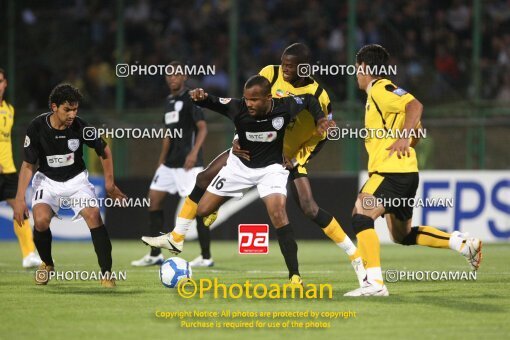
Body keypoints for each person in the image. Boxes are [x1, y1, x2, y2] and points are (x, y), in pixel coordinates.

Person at [142, 43, 366, 287]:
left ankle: (351, 255)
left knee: (309, 208)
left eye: (290, 66)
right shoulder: (270, 74)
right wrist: (237, 138)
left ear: (304, 67)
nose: (285, 69)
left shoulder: (319, 95)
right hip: (250, 151)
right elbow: (242, 107)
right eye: (283, 64)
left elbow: (320, 134)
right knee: (204, 178)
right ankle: (181, 233)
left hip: (286, 158)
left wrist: (299, 158)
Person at [344, 44, 482, 297]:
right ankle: (462, 244)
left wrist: (403, 138)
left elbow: (416, 106)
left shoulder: (379, 88)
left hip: (389, 171)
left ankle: (374, 284)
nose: (356, 73)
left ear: (364, 67)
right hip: (406, 172)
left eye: (356, 68)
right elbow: (417, 128)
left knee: (360, 216)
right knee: (402, 235)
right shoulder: (388, 93)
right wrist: (408, 137)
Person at [13, 84, 127, 287]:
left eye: (75, 109)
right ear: (54, 107)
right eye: (68, 109)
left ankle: (106, 273)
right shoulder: (37, 127)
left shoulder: (81, 127)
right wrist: (20, 198)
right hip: (47, 181)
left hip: (76, 181)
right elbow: (29, 164)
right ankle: (47, 264)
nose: (72, 114)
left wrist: (109, 183)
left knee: (93, 215)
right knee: (40, 221)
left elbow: (104, 151)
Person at [131, 61, 207, 266]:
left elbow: (202, 128)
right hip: (169, 164)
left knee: (198, 208)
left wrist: (194, 153)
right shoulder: (168, 101)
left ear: (184, 77)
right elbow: (167, 134)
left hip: (188, 164)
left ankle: (206, 257)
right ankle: (155, 254)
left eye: (176, 74)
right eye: (169, 75)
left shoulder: (192, 98)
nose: (172, 77)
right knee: (153, 200)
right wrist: (160, 161)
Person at [0, 68, 42, 268]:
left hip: (8, 171)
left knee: (20, 209)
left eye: (0, 81)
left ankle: (29, 255)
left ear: (5, 83)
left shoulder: (9, 109)